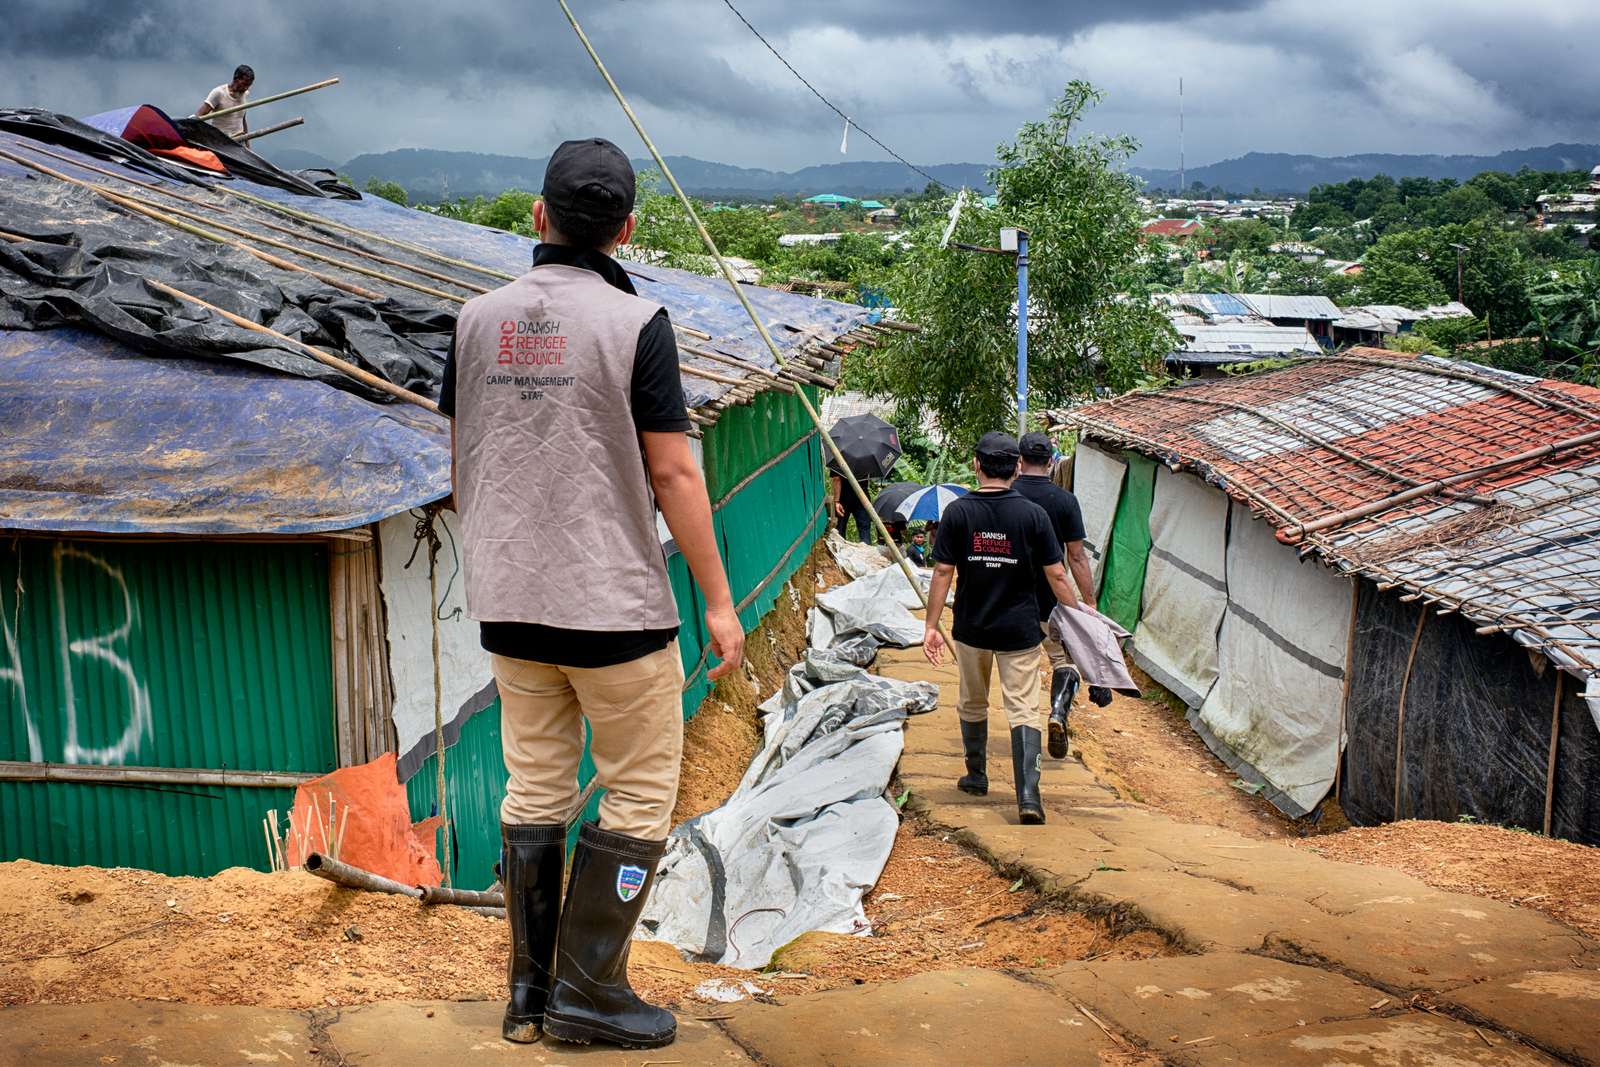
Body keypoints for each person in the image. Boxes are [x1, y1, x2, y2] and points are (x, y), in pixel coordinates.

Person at [442, 137, 743, 1051]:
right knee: (638, 793)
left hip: (509, 605)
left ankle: (527, 995)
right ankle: (590, 991)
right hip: (612, 610)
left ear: (538, 215)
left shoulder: (474, 320)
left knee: (535, 783)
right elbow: (674, 473)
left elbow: (462, 459)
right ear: (627, 230)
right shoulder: (638, 323)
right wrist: (719, 602)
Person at [923, 432, 1081, 825]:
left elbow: (942, 571)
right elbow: (1058, 575)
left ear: (976, 465)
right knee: (1023, 707)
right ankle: (1028, 797)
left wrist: (930, 625)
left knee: (972, 700)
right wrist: (1078, 617)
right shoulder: (1033, 515)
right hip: (1020, 629)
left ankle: (976, 776)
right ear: (1016, 467)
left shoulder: (958, 512)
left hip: (972, 625)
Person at [1013, 432, 1096, 760]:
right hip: (1051, 599)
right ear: (1050, 461)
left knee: (1019, 666)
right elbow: (1076, 556)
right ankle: (1059, 710)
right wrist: (1088, 601)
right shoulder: (1065, 501)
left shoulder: (1007, 496)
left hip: (1009, 600)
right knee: (1065, 660)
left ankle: (1024, 733)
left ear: (1020, 461)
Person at [196, 65, 254, 140]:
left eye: (249, 85)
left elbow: (242, 118)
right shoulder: (219, 93)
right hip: (220, 140)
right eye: (244, 84)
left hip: (238, 140)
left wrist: (247, 142)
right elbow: (199, 115)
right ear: (236, 79)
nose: (246, 88)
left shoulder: (245, 94)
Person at [831, 471, 875, 543]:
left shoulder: (838, 463)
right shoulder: (866, 463)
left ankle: (840, 549)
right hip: (862, 496)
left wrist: (836, 501)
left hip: (844, 496)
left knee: (840, 531)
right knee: (864, 530)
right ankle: (866, 548)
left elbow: (836, 479)